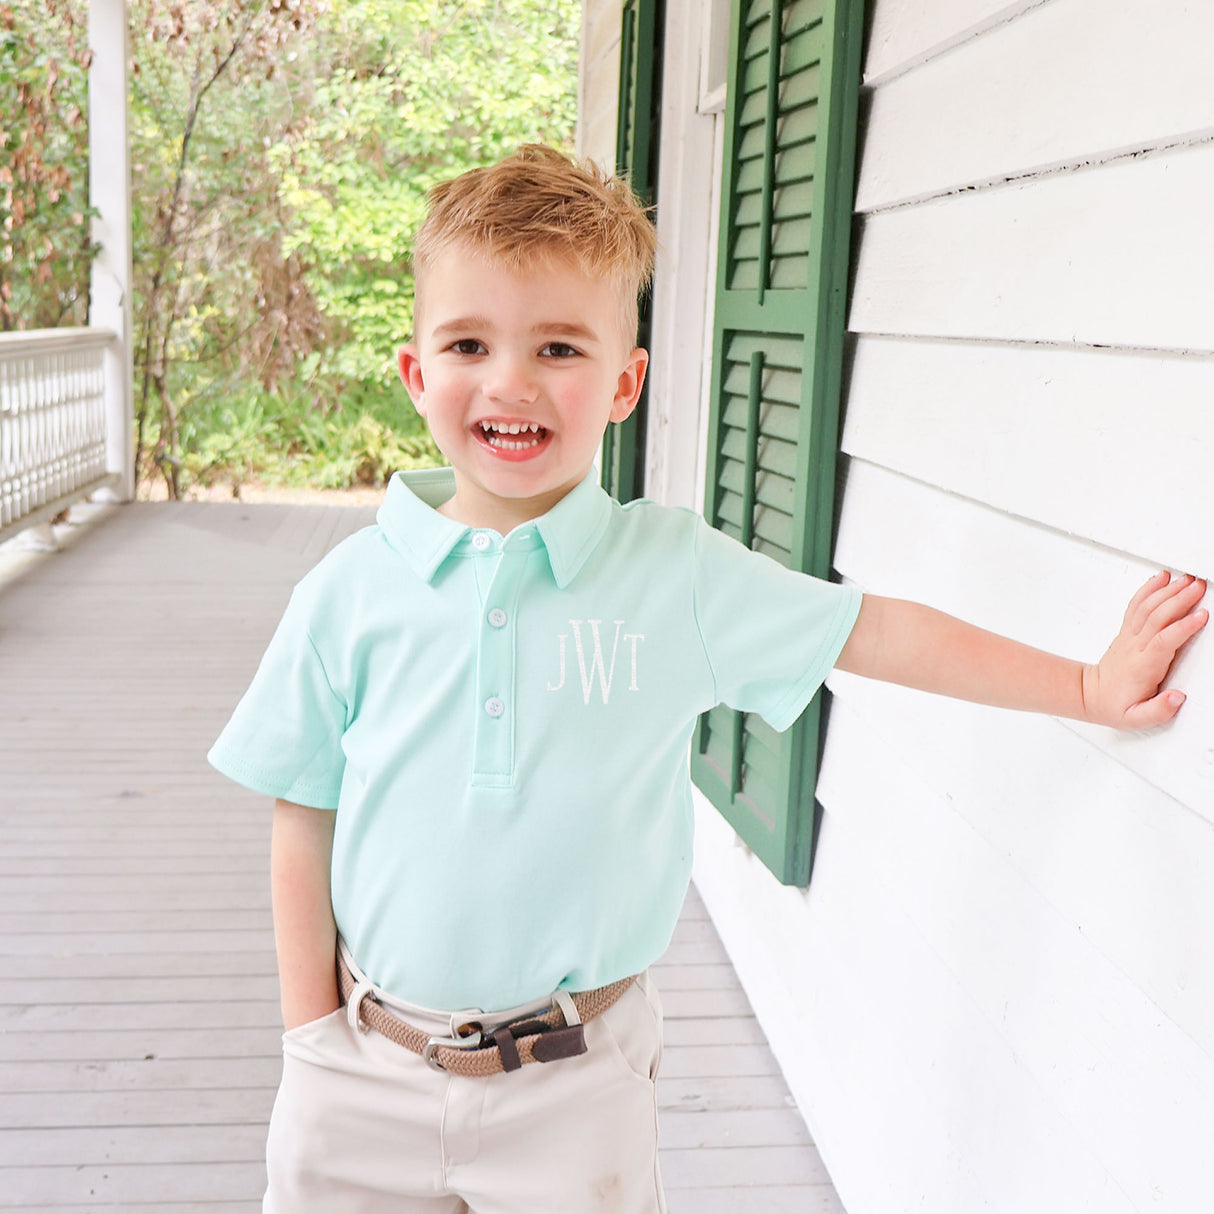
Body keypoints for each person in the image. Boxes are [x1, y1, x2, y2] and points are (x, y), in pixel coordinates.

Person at [208, 145, 1208, 1214]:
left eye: (557, 346)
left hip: (575, 1086)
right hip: (362, 1074)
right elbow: (301, 814)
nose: (509, 381)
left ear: (623, 384)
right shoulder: (347, 592)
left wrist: (1087, 683)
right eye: (467, 342)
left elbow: (869, 632)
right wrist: (310, 1034)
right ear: (416, 374)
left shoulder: (670, 575)